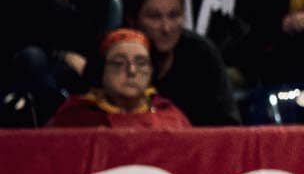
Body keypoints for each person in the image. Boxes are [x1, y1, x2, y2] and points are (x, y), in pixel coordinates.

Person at [129, 0, 236, 126]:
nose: (166, 28)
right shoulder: (118, 55)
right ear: (132, 20)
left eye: (174, 16)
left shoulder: (201, 52)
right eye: (154, 17)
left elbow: (228, 123)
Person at [46, 28, 193, 130]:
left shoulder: (170, 117)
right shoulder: (74, 119)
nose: (132, 71)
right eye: (118, 63)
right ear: (101, 69)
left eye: (141, 63)